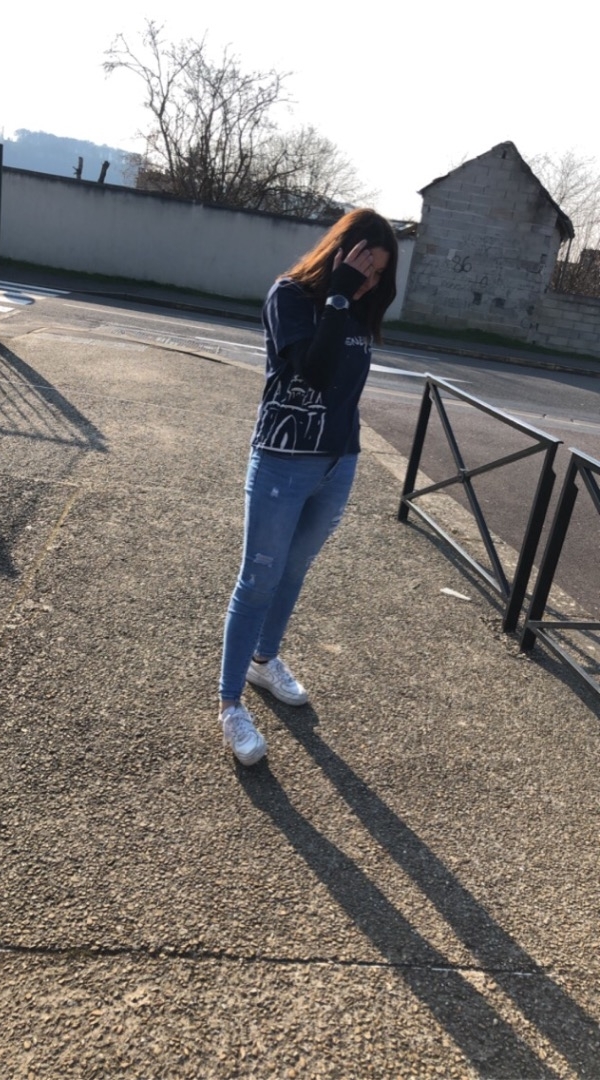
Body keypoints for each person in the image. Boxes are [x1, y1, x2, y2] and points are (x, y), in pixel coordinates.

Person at [219, 208, 398, 765]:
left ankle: (264, 661)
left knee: (294, 570)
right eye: (365, 267)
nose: (370, 281)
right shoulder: (291, 297)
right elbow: (313, 373)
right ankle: (230, 704)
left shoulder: (359, 305)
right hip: (282, 461)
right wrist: (339, 295)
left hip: (337, 464)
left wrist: (352, 297)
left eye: (379, 274)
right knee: (258, 580)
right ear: (340, 254)